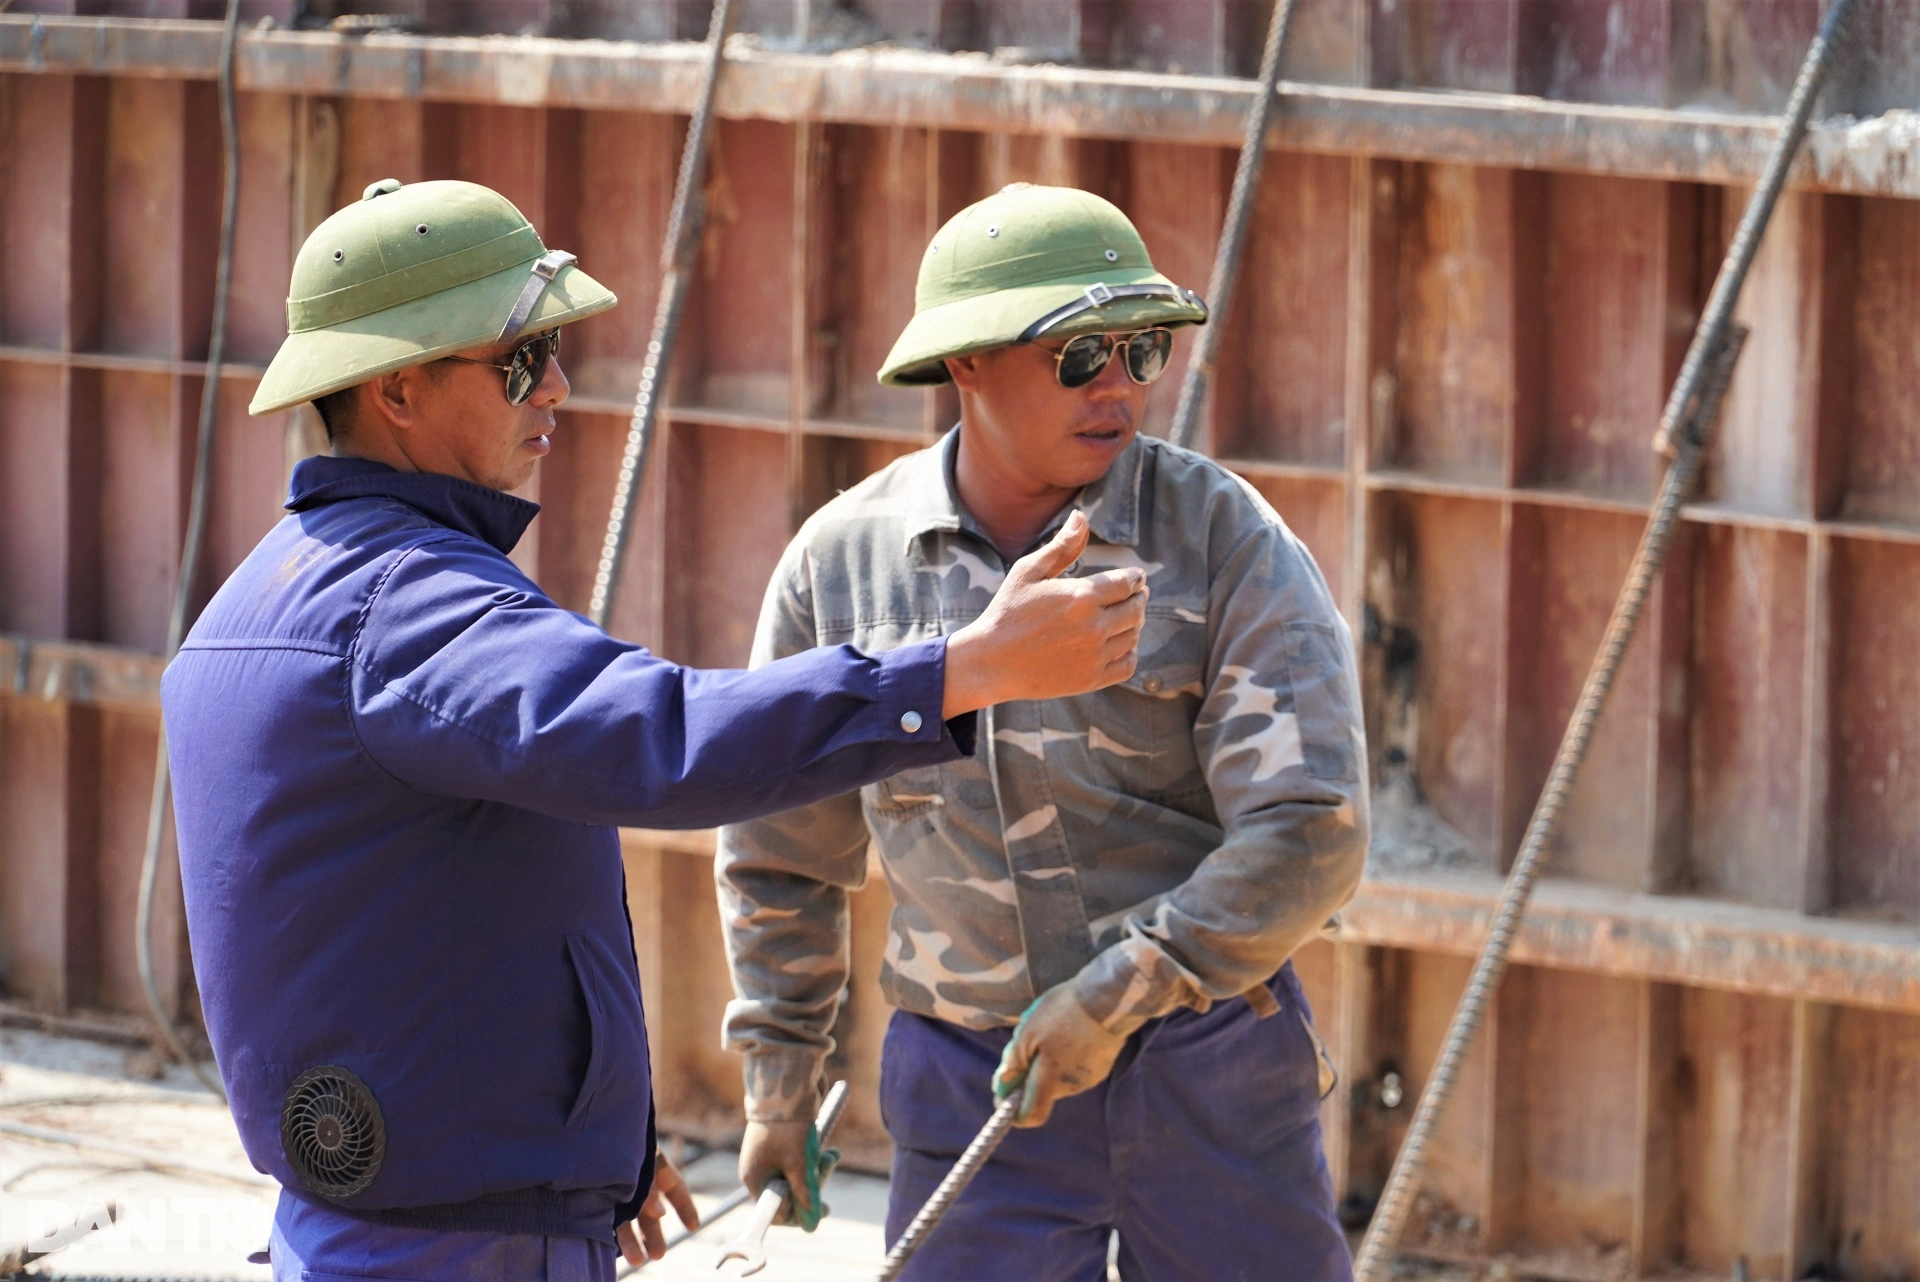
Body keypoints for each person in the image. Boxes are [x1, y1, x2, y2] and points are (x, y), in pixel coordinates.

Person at [160, 177, 1148, 1282]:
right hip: (456, 1244)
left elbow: (431, 925)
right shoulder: (407, 610)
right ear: (396, 390)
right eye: (521, 360)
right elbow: (661, 738)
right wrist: (963, 669)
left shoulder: (255, 606)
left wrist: (594, 1159)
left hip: (396, 1213)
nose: (560, 388)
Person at [718, 183, 1369, 1281]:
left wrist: (1119, 995)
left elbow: (1313, 829)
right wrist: (781, 1085)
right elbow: (784, 852)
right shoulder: (841, 569)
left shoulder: (1222, 540)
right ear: (965, 363)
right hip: (976, 1081)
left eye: (1142, 349)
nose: (1118, 386)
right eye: (1079, 356)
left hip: (1205, 1062)